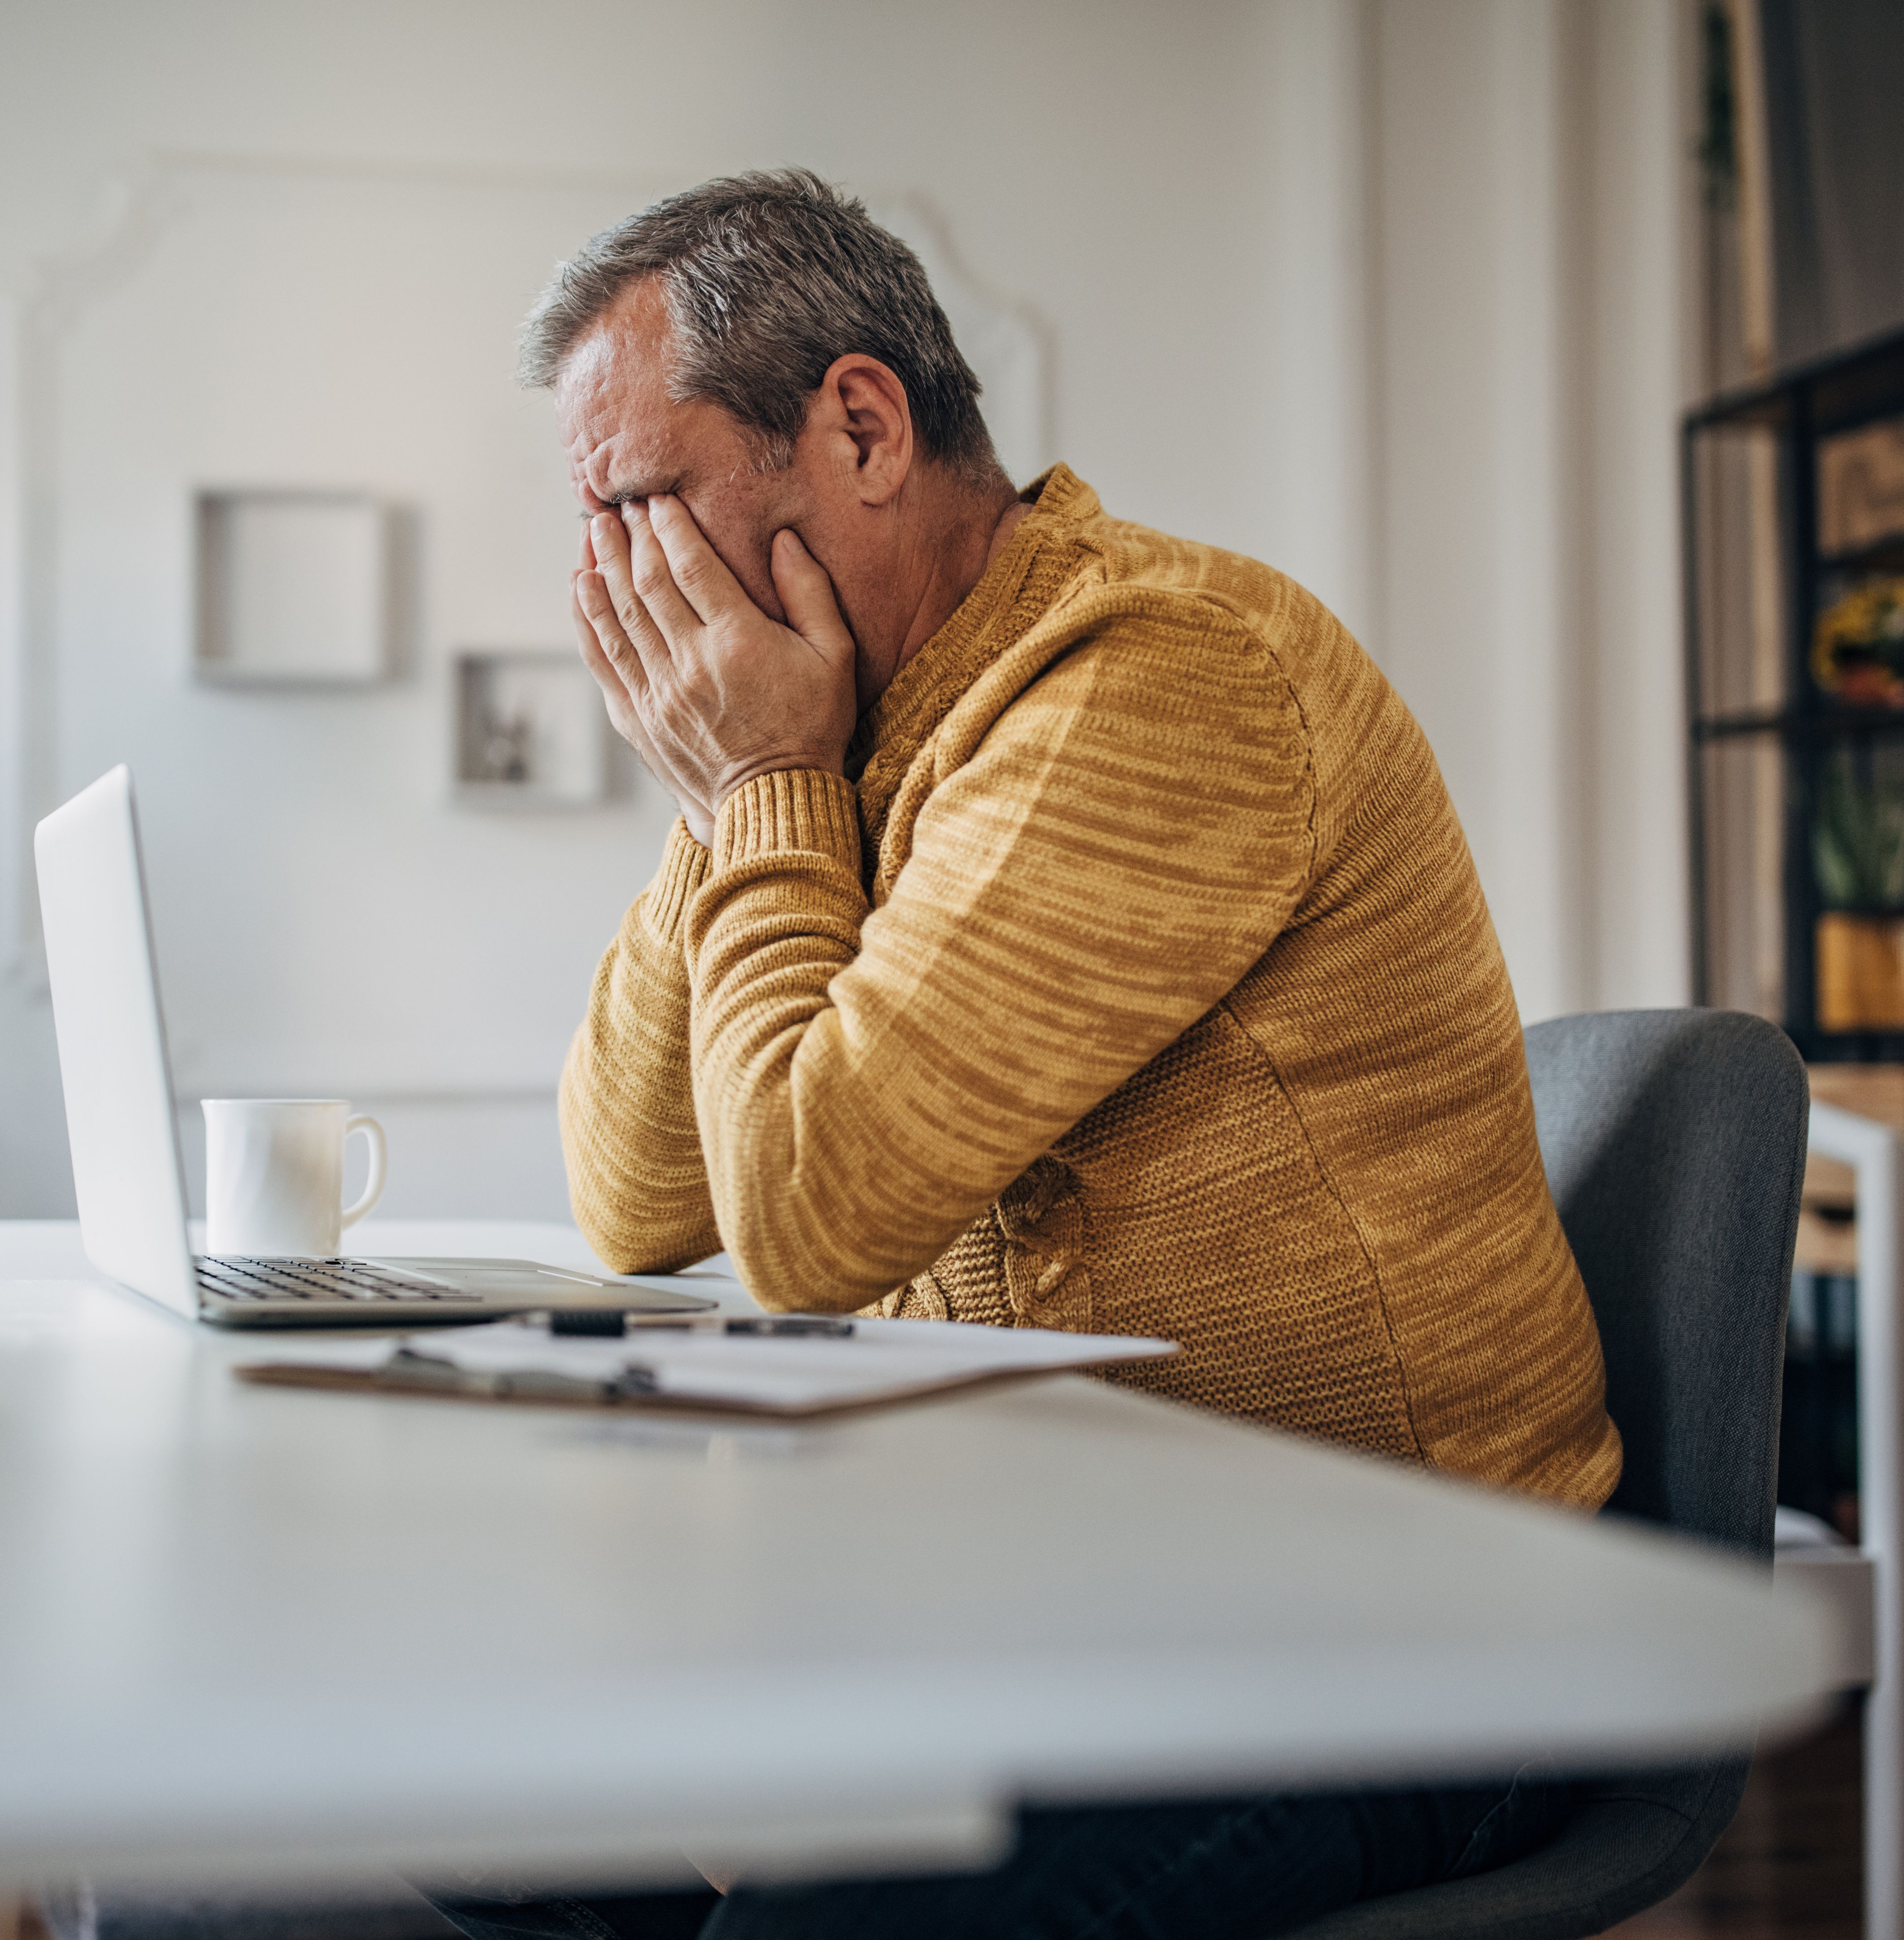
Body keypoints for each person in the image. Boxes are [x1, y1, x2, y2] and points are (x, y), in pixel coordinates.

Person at [438, 168, 1619, 1940]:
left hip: (1392, 1642)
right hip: (1071, 1596)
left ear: (855, 425)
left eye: (643, 506)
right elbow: (633, 1194)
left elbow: (804, 1217)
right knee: (483, 1814)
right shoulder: (852, 742)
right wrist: (729, 792)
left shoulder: (1150, 676)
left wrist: (757, 782)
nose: (615, 585)